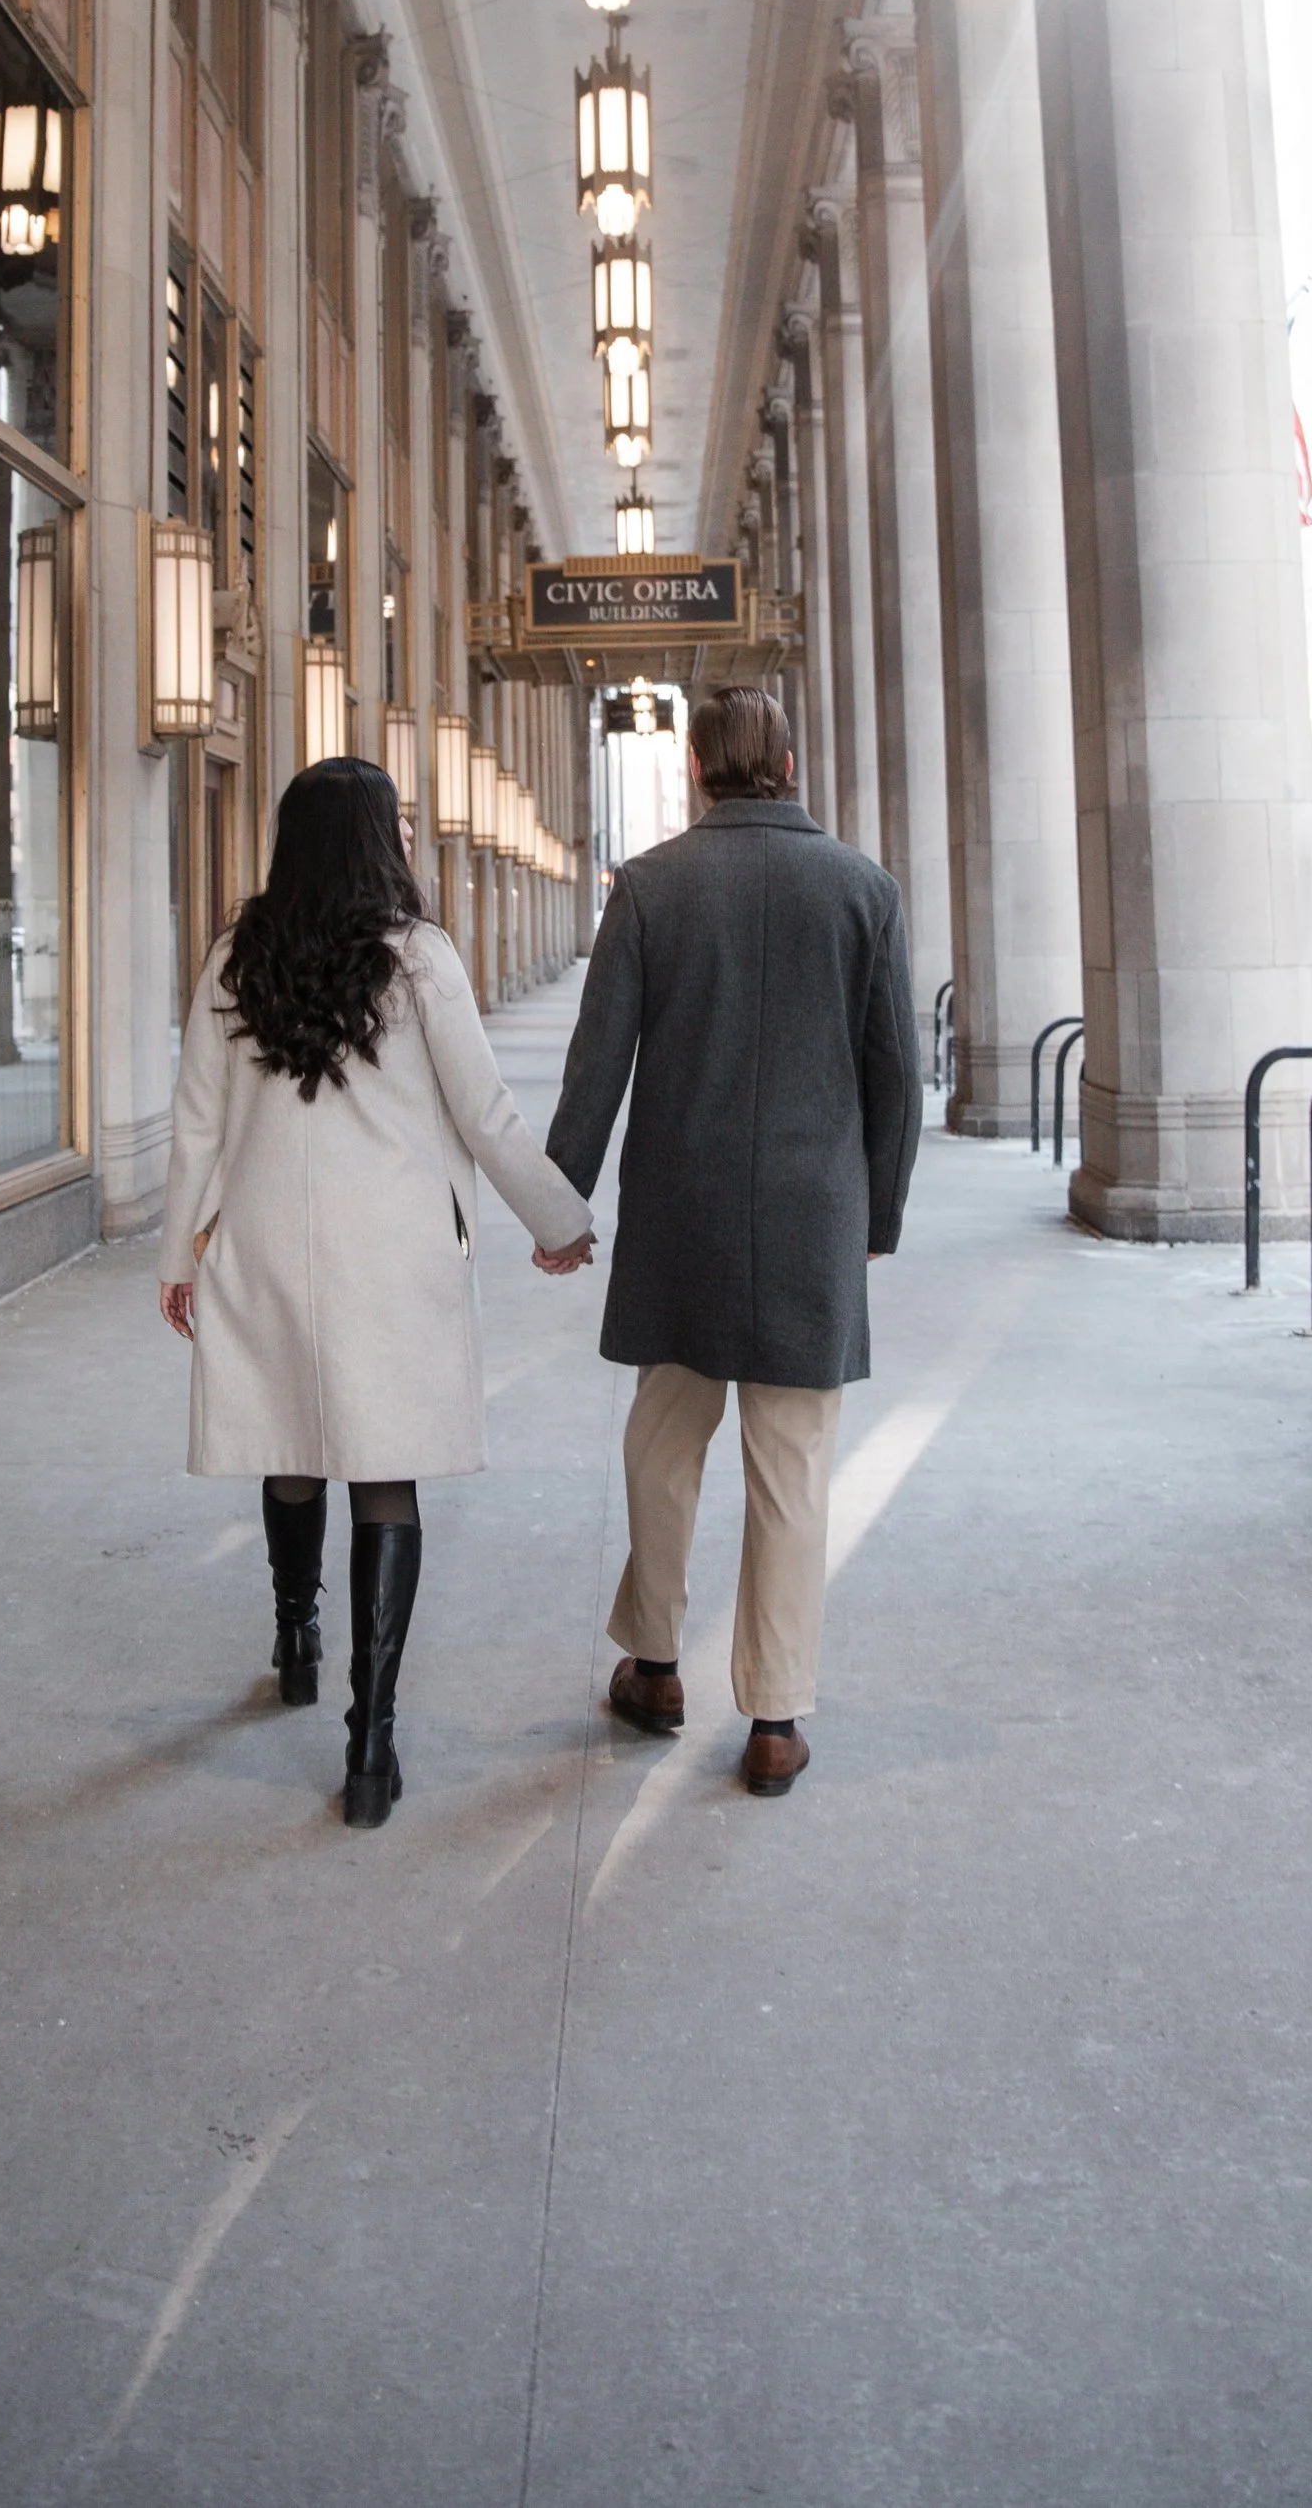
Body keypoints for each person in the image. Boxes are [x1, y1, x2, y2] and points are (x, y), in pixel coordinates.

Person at [160, 758, 593, 1828]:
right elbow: (485, 1114)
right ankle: (369, 1741)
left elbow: (194, 1126)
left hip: (262, 1243)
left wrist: (177, 1258)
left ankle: (295, 1632)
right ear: (374, 842)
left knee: (293, 1441)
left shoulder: (233, 958)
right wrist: (562, 1221)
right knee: (383, 1473)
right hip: (391, 1256)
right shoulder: (420, 963)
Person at [540, 686, 919, 1796]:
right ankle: (775, 1717)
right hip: (812, 1217)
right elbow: (893, 1077)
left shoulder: (652, 888)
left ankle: (654, 1663)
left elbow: (596, 1062)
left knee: (663, 1442)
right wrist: (876, 1220)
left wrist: (562, 1202)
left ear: (696, 768)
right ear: (792, 761)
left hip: (683, 1216)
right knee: (792, 1469)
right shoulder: (864, 889)